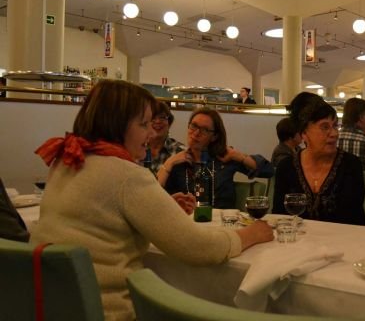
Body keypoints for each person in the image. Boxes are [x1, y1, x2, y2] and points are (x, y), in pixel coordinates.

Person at [31, 80, 273, 321]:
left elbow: (101, 223)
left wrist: (164, 209)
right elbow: (198, 248)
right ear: (118, 124)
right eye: (144, 124)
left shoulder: (66, 160)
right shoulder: (127, 174)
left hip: (49, 307)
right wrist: (251, 234)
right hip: (105, 312)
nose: (151, 133)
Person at [273, 93, 365, 225]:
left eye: (335, 126)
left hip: (343, 238)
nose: (334, 133)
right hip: (297, 237)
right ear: (304, 133)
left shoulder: (351, 165)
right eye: (325, 127)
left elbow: (356, 222)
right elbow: (278, 217)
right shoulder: (286, 167)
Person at [158, 108, 274, 209]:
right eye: (194, 126)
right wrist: (168, 163)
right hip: (188, 221)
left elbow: (268, 171)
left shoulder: (223, 159)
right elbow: (156, 197)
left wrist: (238, 156)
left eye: (204, 130)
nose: (196, 133)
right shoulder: (178, 162)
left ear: (214, 136)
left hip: (223, 222)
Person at [147, 101, 186, 176]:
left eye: (162, 117)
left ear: (169, 123)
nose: (158, 121)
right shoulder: (137, 149)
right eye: (153, 118)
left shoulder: (180, 151)